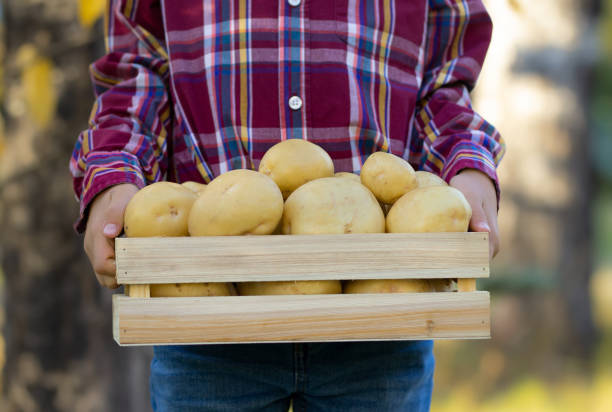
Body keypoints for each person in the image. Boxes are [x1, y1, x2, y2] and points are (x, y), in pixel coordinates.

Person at [70, 0, 505, 410]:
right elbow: (136, 77)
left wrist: (467, 164)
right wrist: (113, 176)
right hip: (209, 312)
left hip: (380, 310)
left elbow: (445, 81)